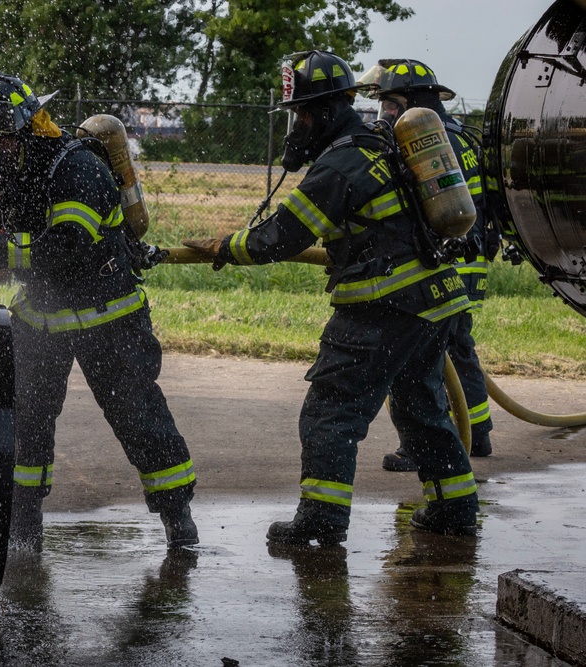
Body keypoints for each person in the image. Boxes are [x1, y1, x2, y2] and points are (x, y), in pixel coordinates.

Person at [182, 50, 479, 544]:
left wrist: (223, 247)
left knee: (331, 410)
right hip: (435, 301)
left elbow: (281, 236)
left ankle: (322, 520)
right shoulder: (377, 143)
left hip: (382, 306)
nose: (297, 126)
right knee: (421, 408)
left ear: (322, 110)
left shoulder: (341, 163)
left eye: (300, 114)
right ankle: (456, 508)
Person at [0, 73, 198, 551]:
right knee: (26, 419)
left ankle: (177, 518)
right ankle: (22, 524)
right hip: (40, 319)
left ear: (25, 126)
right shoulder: (4, 173)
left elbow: (68, 248)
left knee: (135, 413)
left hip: (109, 316)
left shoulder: (77, 169)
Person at [358, 59, 496, 471]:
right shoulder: (460, 137)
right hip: (468, 261)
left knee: (425, 357)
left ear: (413, 102)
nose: (386, 114)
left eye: (391, 104)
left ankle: (427, 445)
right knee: (457, 350)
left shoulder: (428, 141)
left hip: (443, 263)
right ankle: (478, 433)